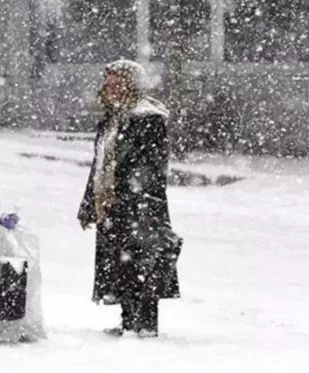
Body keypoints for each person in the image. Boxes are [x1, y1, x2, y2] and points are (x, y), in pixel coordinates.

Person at [77, 59, 182, 338]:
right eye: (108, 84)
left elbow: (150, 166)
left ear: (132, 85)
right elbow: (99, 165)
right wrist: (89, 203)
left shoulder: (147, 119)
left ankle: (145, 325)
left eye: (117, 83)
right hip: (112, 204)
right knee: (119, 263)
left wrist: (136, 198)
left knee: (143, 262)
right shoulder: (112, 120)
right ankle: (128, 321)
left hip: (140, 205)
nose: (111, 89)